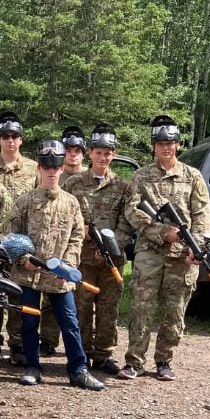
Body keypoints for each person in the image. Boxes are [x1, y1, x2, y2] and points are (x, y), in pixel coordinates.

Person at [3, 139, 105, 391]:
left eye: (56, 166)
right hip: (29, 275)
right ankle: (32, 366)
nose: (51, 170)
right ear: (39, 168)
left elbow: (76, 237)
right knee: (28, 322)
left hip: (59, 277)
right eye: (46, 166)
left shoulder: (71, 203)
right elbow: (10, 235)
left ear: (62, 169)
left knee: (70, 323)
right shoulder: (24, 201)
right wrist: (23, 260)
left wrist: (68, 266)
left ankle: (78, 370)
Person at [119, 115, 210, 381]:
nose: (166, 147)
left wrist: (198, 246)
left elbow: (202, 215)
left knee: (174, 310)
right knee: (141, 308)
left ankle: (164, 361)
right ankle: (134, 361)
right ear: (153, 146)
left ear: (178, 145)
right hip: (150, 251)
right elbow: (132, 211)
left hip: (183, 255)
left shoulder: (192, 176)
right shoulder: (141, 176)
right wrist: (162, 232)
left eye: (170, 143)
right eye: (160, 143)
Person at [62, 123, 132, 375]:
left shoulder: (123, 186)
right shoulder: (74, 183)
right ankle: (81, 354)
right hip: (82, 258)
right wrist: (84, 236)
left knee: (108, 308)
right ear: (90, 153)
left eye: (108, 153)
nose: (103, 157)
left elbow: (127, 220)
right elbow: (66, 217)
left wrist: (114, 246)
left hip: (111, 259)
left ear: (113, 154)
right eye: (98, 152)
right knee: (80, 306)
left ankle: (103, 355)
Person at [0, 110, 42, 363]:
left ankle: (17, 344)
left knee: (18, 293)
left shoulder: (33, 169)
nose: (10, 140)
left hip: (21, 244)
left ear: (21, 139)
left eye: (15, 136)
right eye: (6, 136)